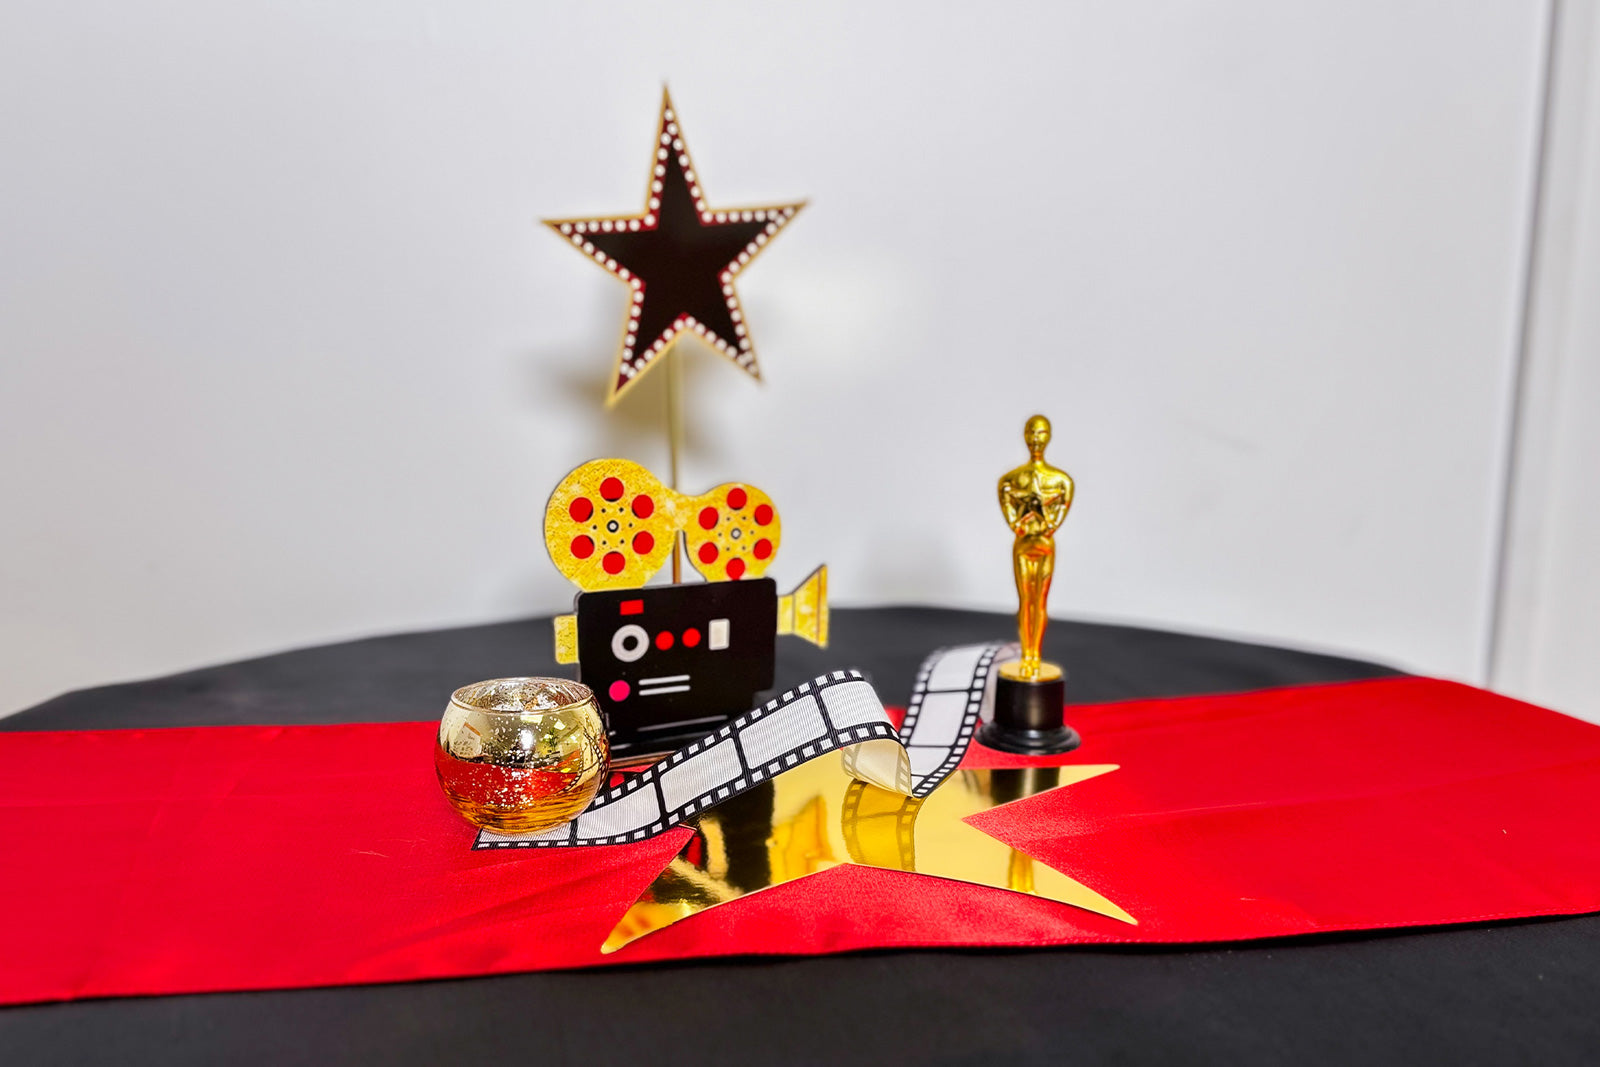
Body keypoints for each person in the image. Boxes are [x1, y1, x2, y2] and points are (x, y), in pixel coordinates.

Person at [997, 415, 1074, 680]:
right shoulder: (1010, 480)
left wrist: (1037, 520)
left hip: (1043, 546)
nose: (1036, 439)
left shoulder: (1061, 481)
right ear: (1025, 436)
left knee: (1039, 601)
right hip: (1024, 545)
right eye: (1032, 433)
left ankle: (1034, 655)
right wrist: (1023, 522)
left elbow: (1055, 520)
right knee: (1025, 601)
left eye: (1041, 433)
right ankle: (1027, 655)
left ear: (1048, 436)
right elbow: (1012, 516)